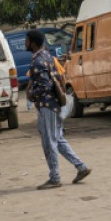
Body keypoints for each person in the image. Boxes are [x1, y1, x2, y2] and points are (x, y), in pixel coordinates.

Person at [26, 29, 91, 190]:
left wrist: (31, 95)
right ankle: (81, 167)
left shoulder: (38, 61)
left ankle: (55, 178)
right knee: (58, 140)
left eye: (26, 40)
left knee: (50, 142)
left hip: (47, 106)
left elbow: (44, 85)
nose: (25, 43)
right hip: (52, 105)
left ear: (32, 42)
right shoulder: (47, 56)